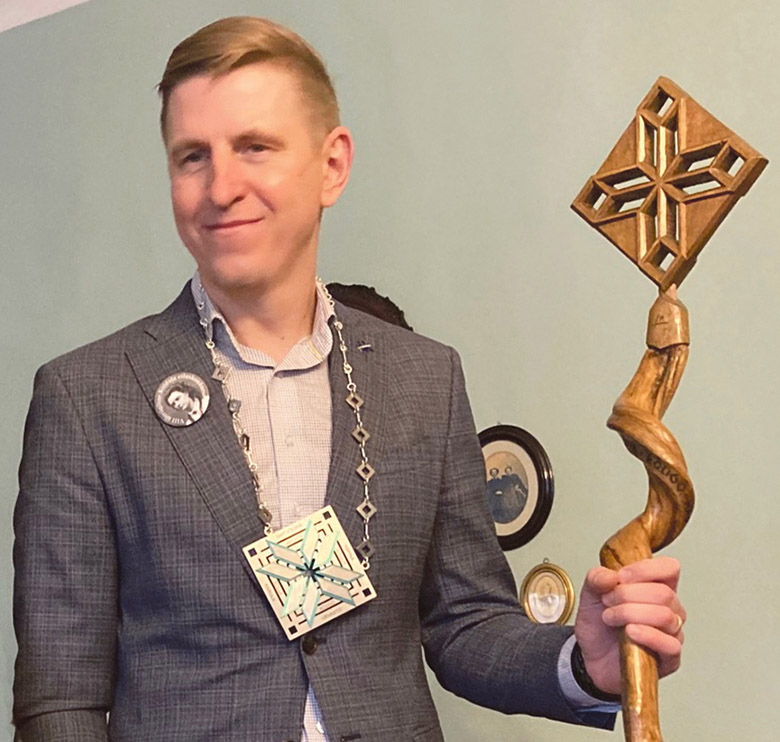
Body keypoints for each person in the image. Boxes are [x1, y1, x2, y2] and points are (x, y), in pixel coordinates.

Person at [13, 17, 686, 742]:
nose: (221, 186)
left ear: (332, 165)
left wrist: (583, 663)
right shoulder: (88, 398)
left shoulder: (424, 377)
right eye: (192, 157)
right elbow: (60, 699)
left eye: (254, 147)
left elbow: (466, 625)